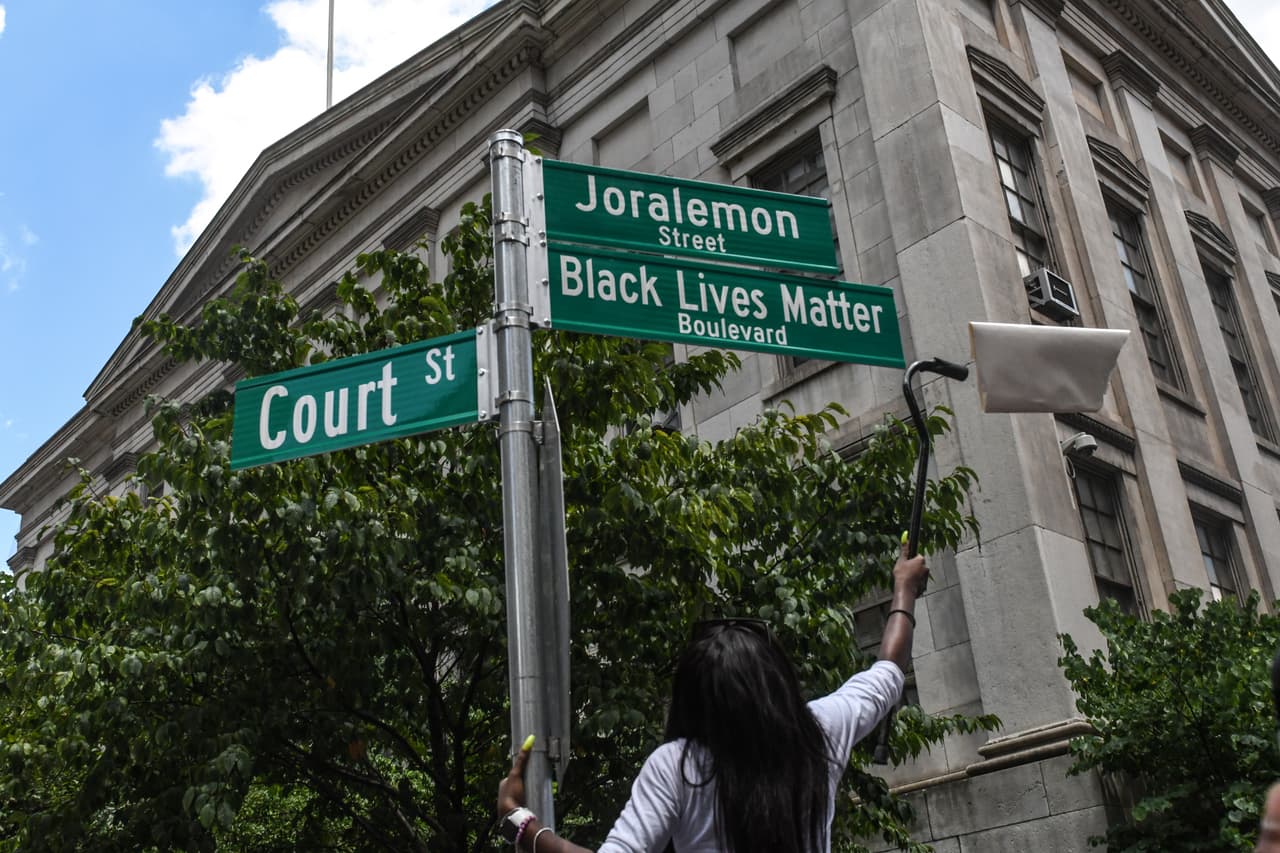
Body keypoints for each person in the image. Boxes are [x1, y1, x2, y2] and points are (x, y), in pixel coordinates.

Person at [495, 544, 929, 853]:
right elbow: (888, 671)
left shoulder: (677, 766)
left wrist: (517, 819)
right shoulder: (820, 732)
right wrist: (903, 589)